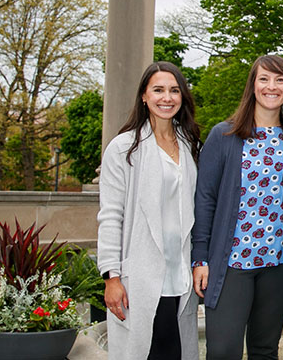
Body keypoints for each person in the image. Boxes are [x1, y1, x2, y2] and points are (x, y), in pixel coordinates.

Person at [192, 55, 283, 360]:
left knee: (264, 350)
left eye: (280, 80)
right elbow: (205, 199)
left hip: (279, 264)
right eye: (264, 79)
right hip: (232, 263)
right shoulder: (225, 136)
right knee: (223, 350)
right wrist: (200, 258)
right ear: (253, 86)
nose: (272, 87)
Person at [97, 61, 202, 360]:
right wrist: (111, 277)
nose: (166, 98)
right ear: (144, 95)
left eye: (173, 90)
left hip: (180, 273)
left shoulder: (190, 144)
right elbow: (110, 216)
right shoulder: (123, 148)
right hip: (141, 276)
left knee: (176, 351)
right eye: (158, 90)